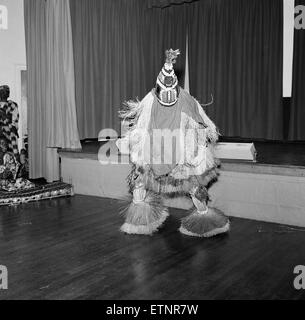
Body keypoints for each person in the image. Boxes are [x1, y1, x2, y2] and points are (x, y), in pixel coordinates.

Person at [116, 49, 230, 238]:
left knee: (194, 188)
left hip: (182, 151)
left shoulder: (186, 100)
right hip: (154, 149)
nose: (168, 97)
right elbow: (141, 127)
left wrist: (197, 152)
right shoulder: (150, 100)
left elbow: (201, 126)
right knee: (139, 184)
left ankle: (205, 221)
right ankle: (142, 221)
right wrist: (138, 149)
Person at [0, 85, 20, 158]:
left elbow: (15, 121)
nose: (3, 94)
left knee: (10, 156)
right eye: (1, 92)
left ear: (8, 94)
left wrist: (6, 121)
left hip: (10, 135)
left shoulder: (12, 105)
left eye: (5, 92)